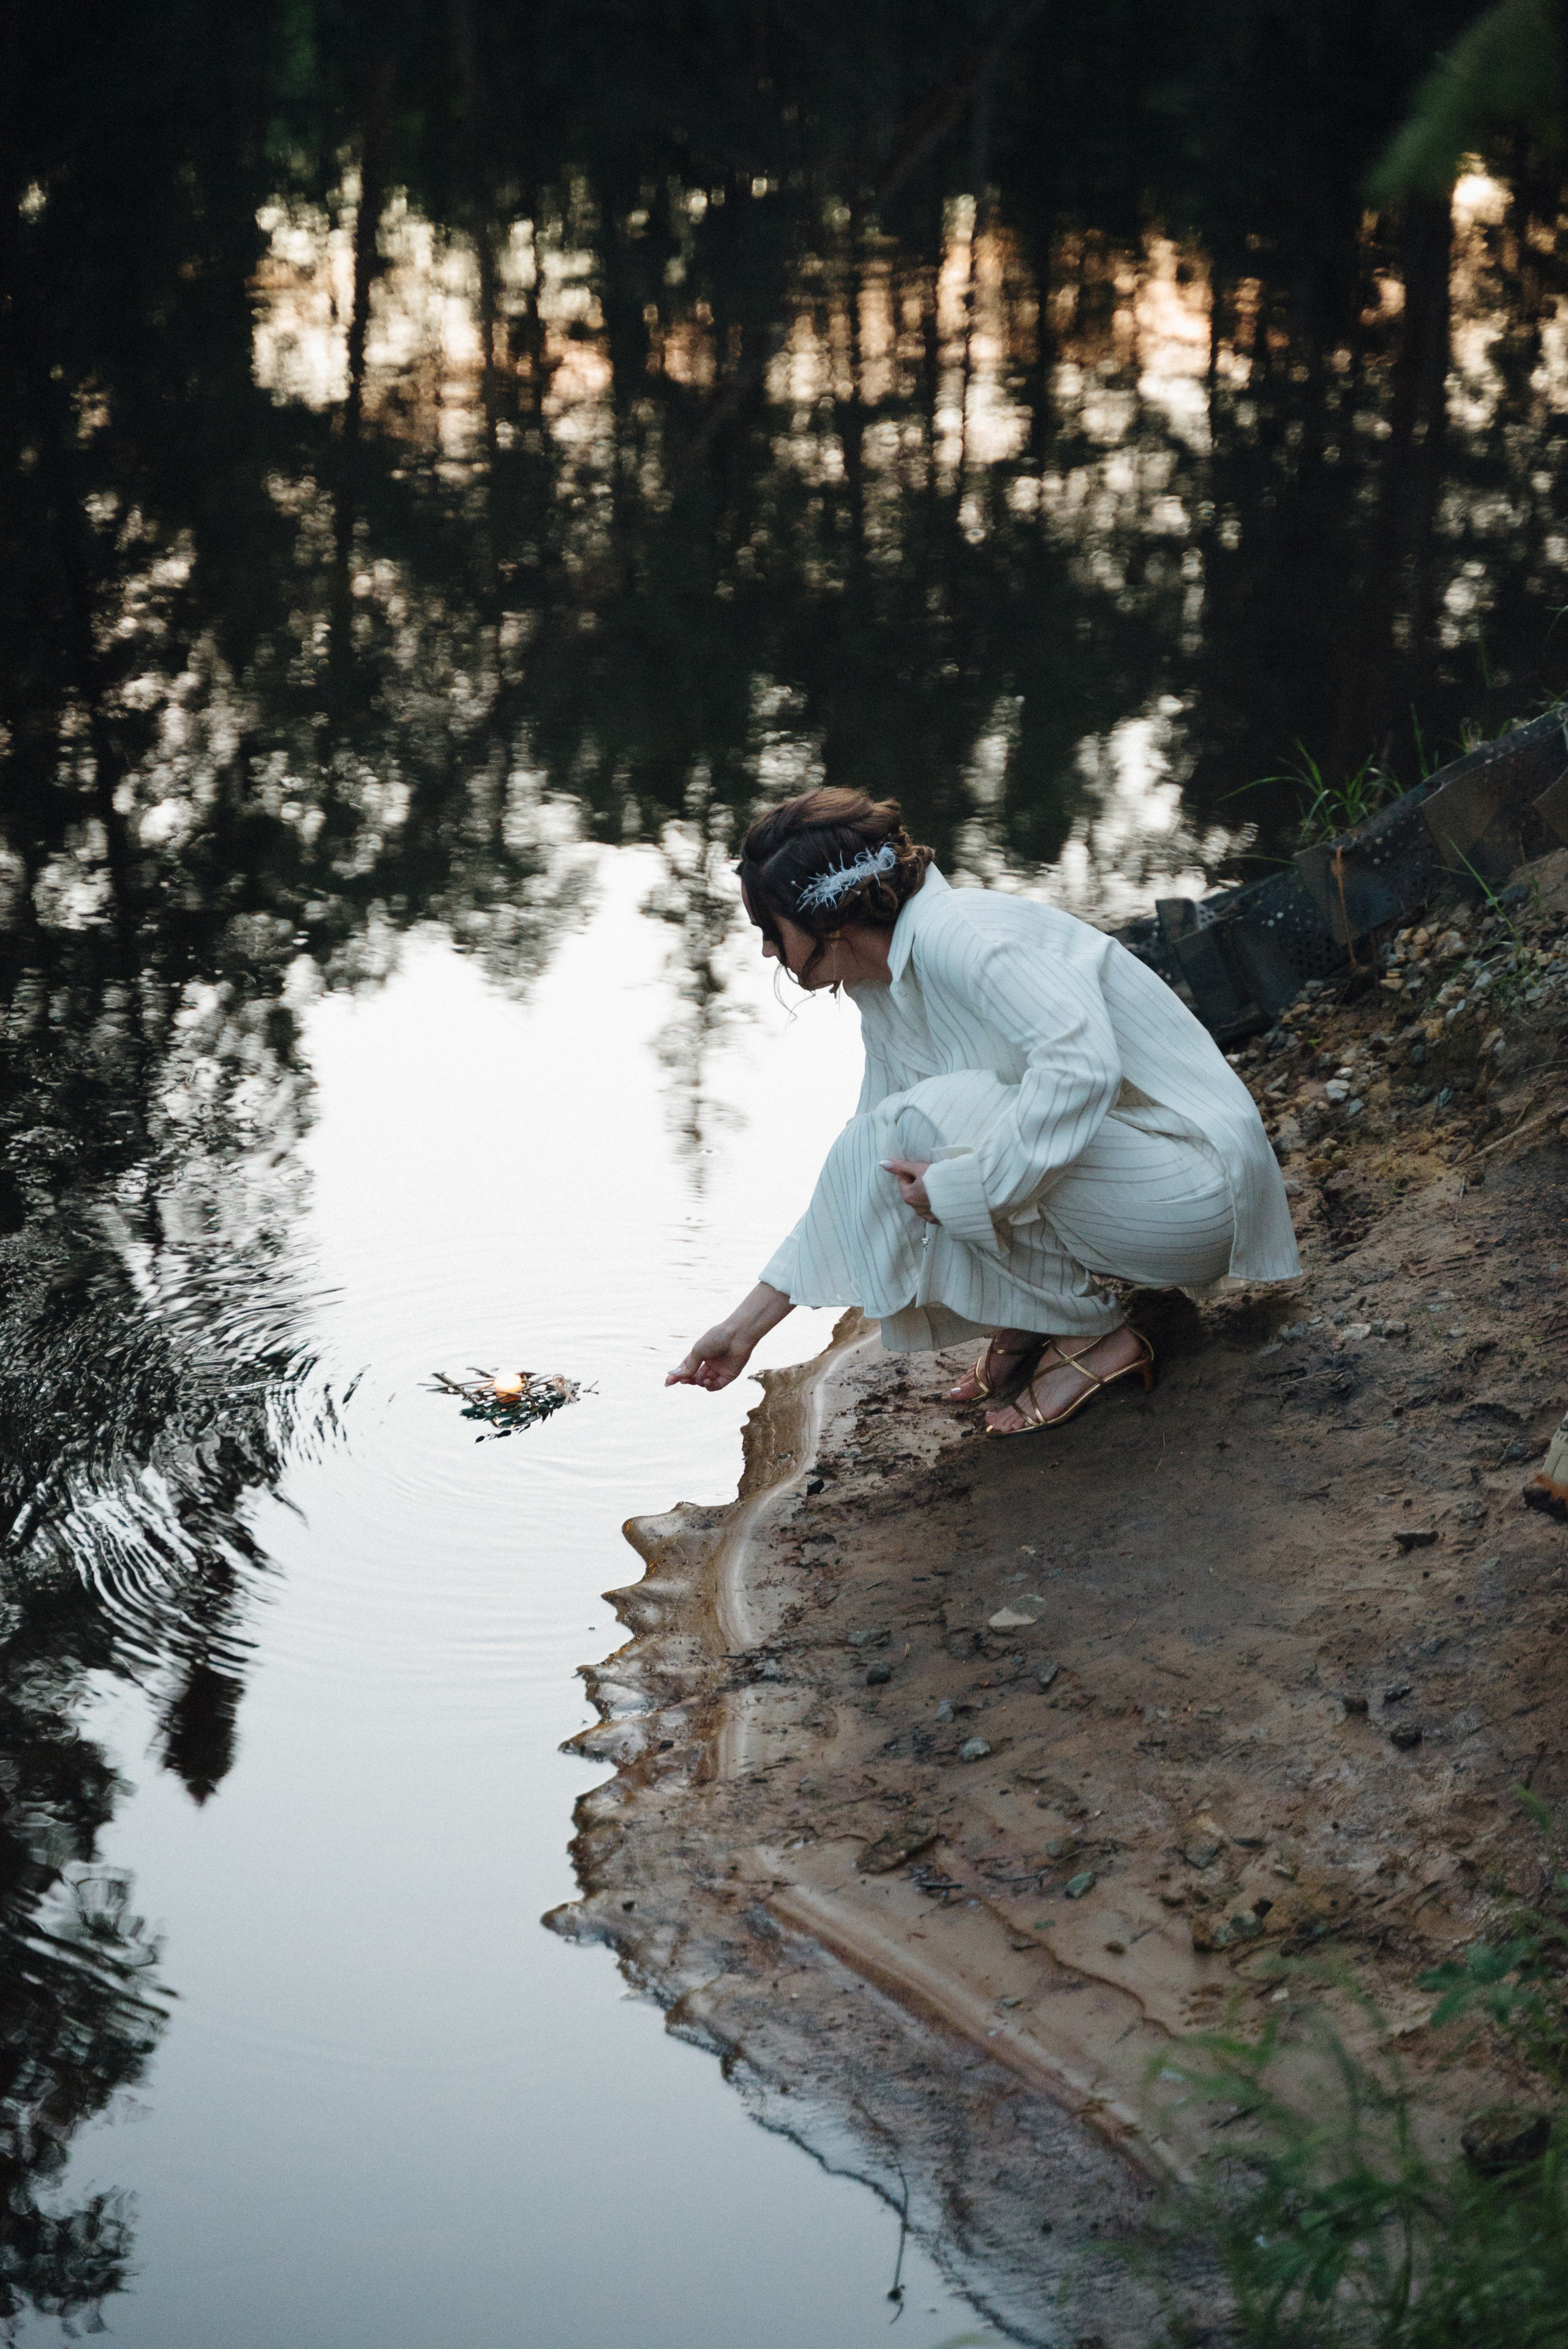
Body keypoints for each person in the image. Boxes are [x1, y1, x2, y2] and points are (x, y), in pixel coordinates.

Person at [667, 789, 1299, 1436]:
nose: (770, 952)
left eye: (771, 930)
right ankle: (1035, 1317)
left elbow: (1081, 1069)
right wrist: (743, 1329)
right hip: (1140, 1186)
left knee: (927, 1132)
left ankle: (1095, 1337)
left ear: (828, 922)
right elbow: (862, 1172)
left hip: (1197, 1192)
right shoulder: (885, 987)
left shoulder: (965, 936)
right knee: (885, 1146)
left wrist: (969, 1187)